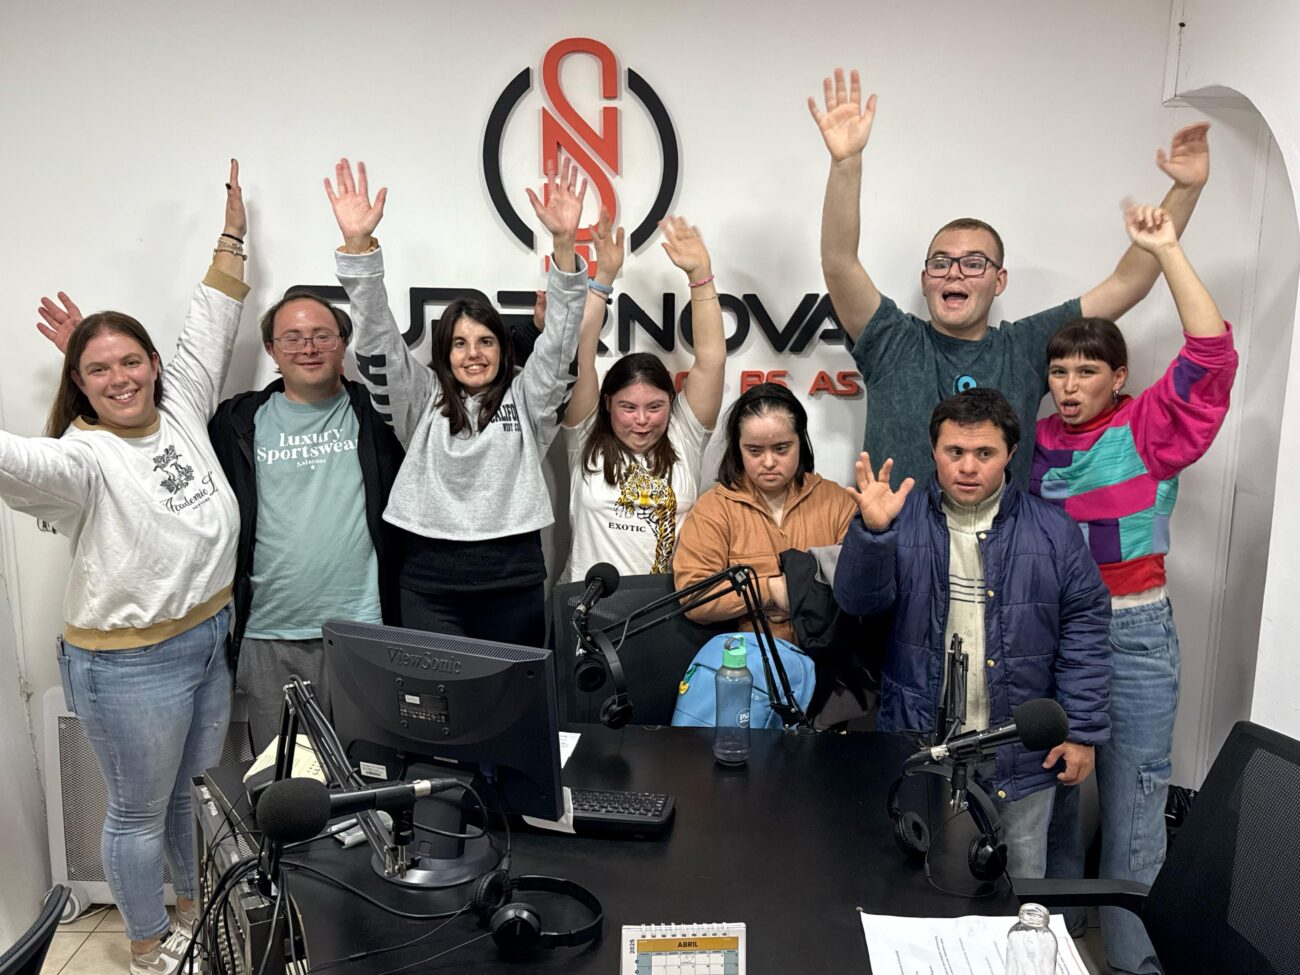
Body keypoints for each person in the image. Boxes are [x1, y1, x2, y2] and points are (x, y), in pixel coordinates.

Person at [12, 162, 248, 975]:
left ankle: (190, 909)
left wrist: (231, 235)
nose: (120, 379)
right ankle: (149, 944)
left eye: (129, 361)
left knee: (188, 791)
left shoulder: (180, 401)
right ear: (77, 385)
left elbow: (211, 321)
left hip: (207, 636)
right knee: (139, 812)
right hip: (129, 662)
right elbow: (20, 464)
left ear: (153, 362)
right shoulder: (80, 459)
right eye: (98, 370)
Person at [809, 67, 1211, 486]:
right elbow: (839, 262)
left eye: (974, 263)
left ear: (999, 281)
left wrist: (1185, 191)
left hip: (1004, 531)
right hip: (896, 530)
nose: (954, 273)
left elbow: (1129, 283)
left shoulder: (1023, 349)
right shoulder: (892, 342)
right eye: (941, 263)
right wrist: (846, 163)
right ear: (926, 280)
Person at [1034, 205, 1237, 974]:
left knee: (1136, 800)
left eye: (1086, 371)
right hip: (1054, 634)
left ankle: (1132, 960)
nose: (1069, 384)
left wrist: (1169, 249)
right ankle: (1051, 947)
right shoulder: (1037, 442)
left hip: (1133, 632)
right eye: (1059, 371)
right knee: (1050, 796)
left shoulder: (1147, 427)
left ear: (1118, 377)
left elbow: (1211, 356)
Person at [833, 388, 1112, 877]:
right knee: (920, 883)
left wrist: (1082, 732)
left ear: (1010, 453)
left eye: (985, 453)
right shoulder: (900, 519)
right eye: (954, 451)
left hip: (1020, 755)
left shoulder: (1054, 532)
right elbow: (857, 603)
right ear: (933, 450)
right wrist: (873, 534)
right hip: (922, 744)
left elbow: (1085, 631)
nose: (967, 467)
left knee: (1017, 884)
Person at [325, 156, 589, 647]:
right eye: (460, 343)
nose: (474, 354)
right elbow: (379, 337)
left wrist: (564, 245)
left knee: (513, 693)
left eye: (486, 341)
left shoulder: (527, 399)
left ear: (503, 348)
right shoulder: (420, 399)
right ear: (444, 352)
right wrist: (359, 249)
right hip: (430, 587)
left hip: (513, 583)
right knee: (435, 697)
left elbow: (559, 342)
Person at [208, 288, 407, 752]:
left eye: (322, 335)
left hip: (364, 629)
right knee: (286, 780)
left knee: (371, 774)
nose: (309, 348)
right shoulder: (236, 422)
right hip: (269, 634)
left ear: (343, 342)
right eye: (293, 338)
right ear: (272, 350)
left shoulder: (379, 414)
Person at [562, 212, 726, 582]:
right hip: (584, 603)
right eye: (628, 407)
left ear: (671, 403)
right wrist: (603, 279)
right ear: (608, 404)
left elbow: (711, 361)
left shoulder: (683, 436)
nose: (641, 420)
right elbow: (580, 355)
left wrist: (700, 276)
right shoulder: (585, 435)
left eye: (654, 407)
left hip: (661, 606)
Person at [673, 383, 856, 644]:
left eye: (781, 449)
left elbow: (860, 584)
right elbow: (694, 598)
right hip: (749, 662)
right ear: (738, 449)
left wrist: (795, 597)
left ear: (800, 442)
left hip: (829, 658)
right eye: (754, 450)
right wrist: (769, 590)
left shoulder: (836, 500)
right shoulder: (714, 509)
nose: (768, 462)